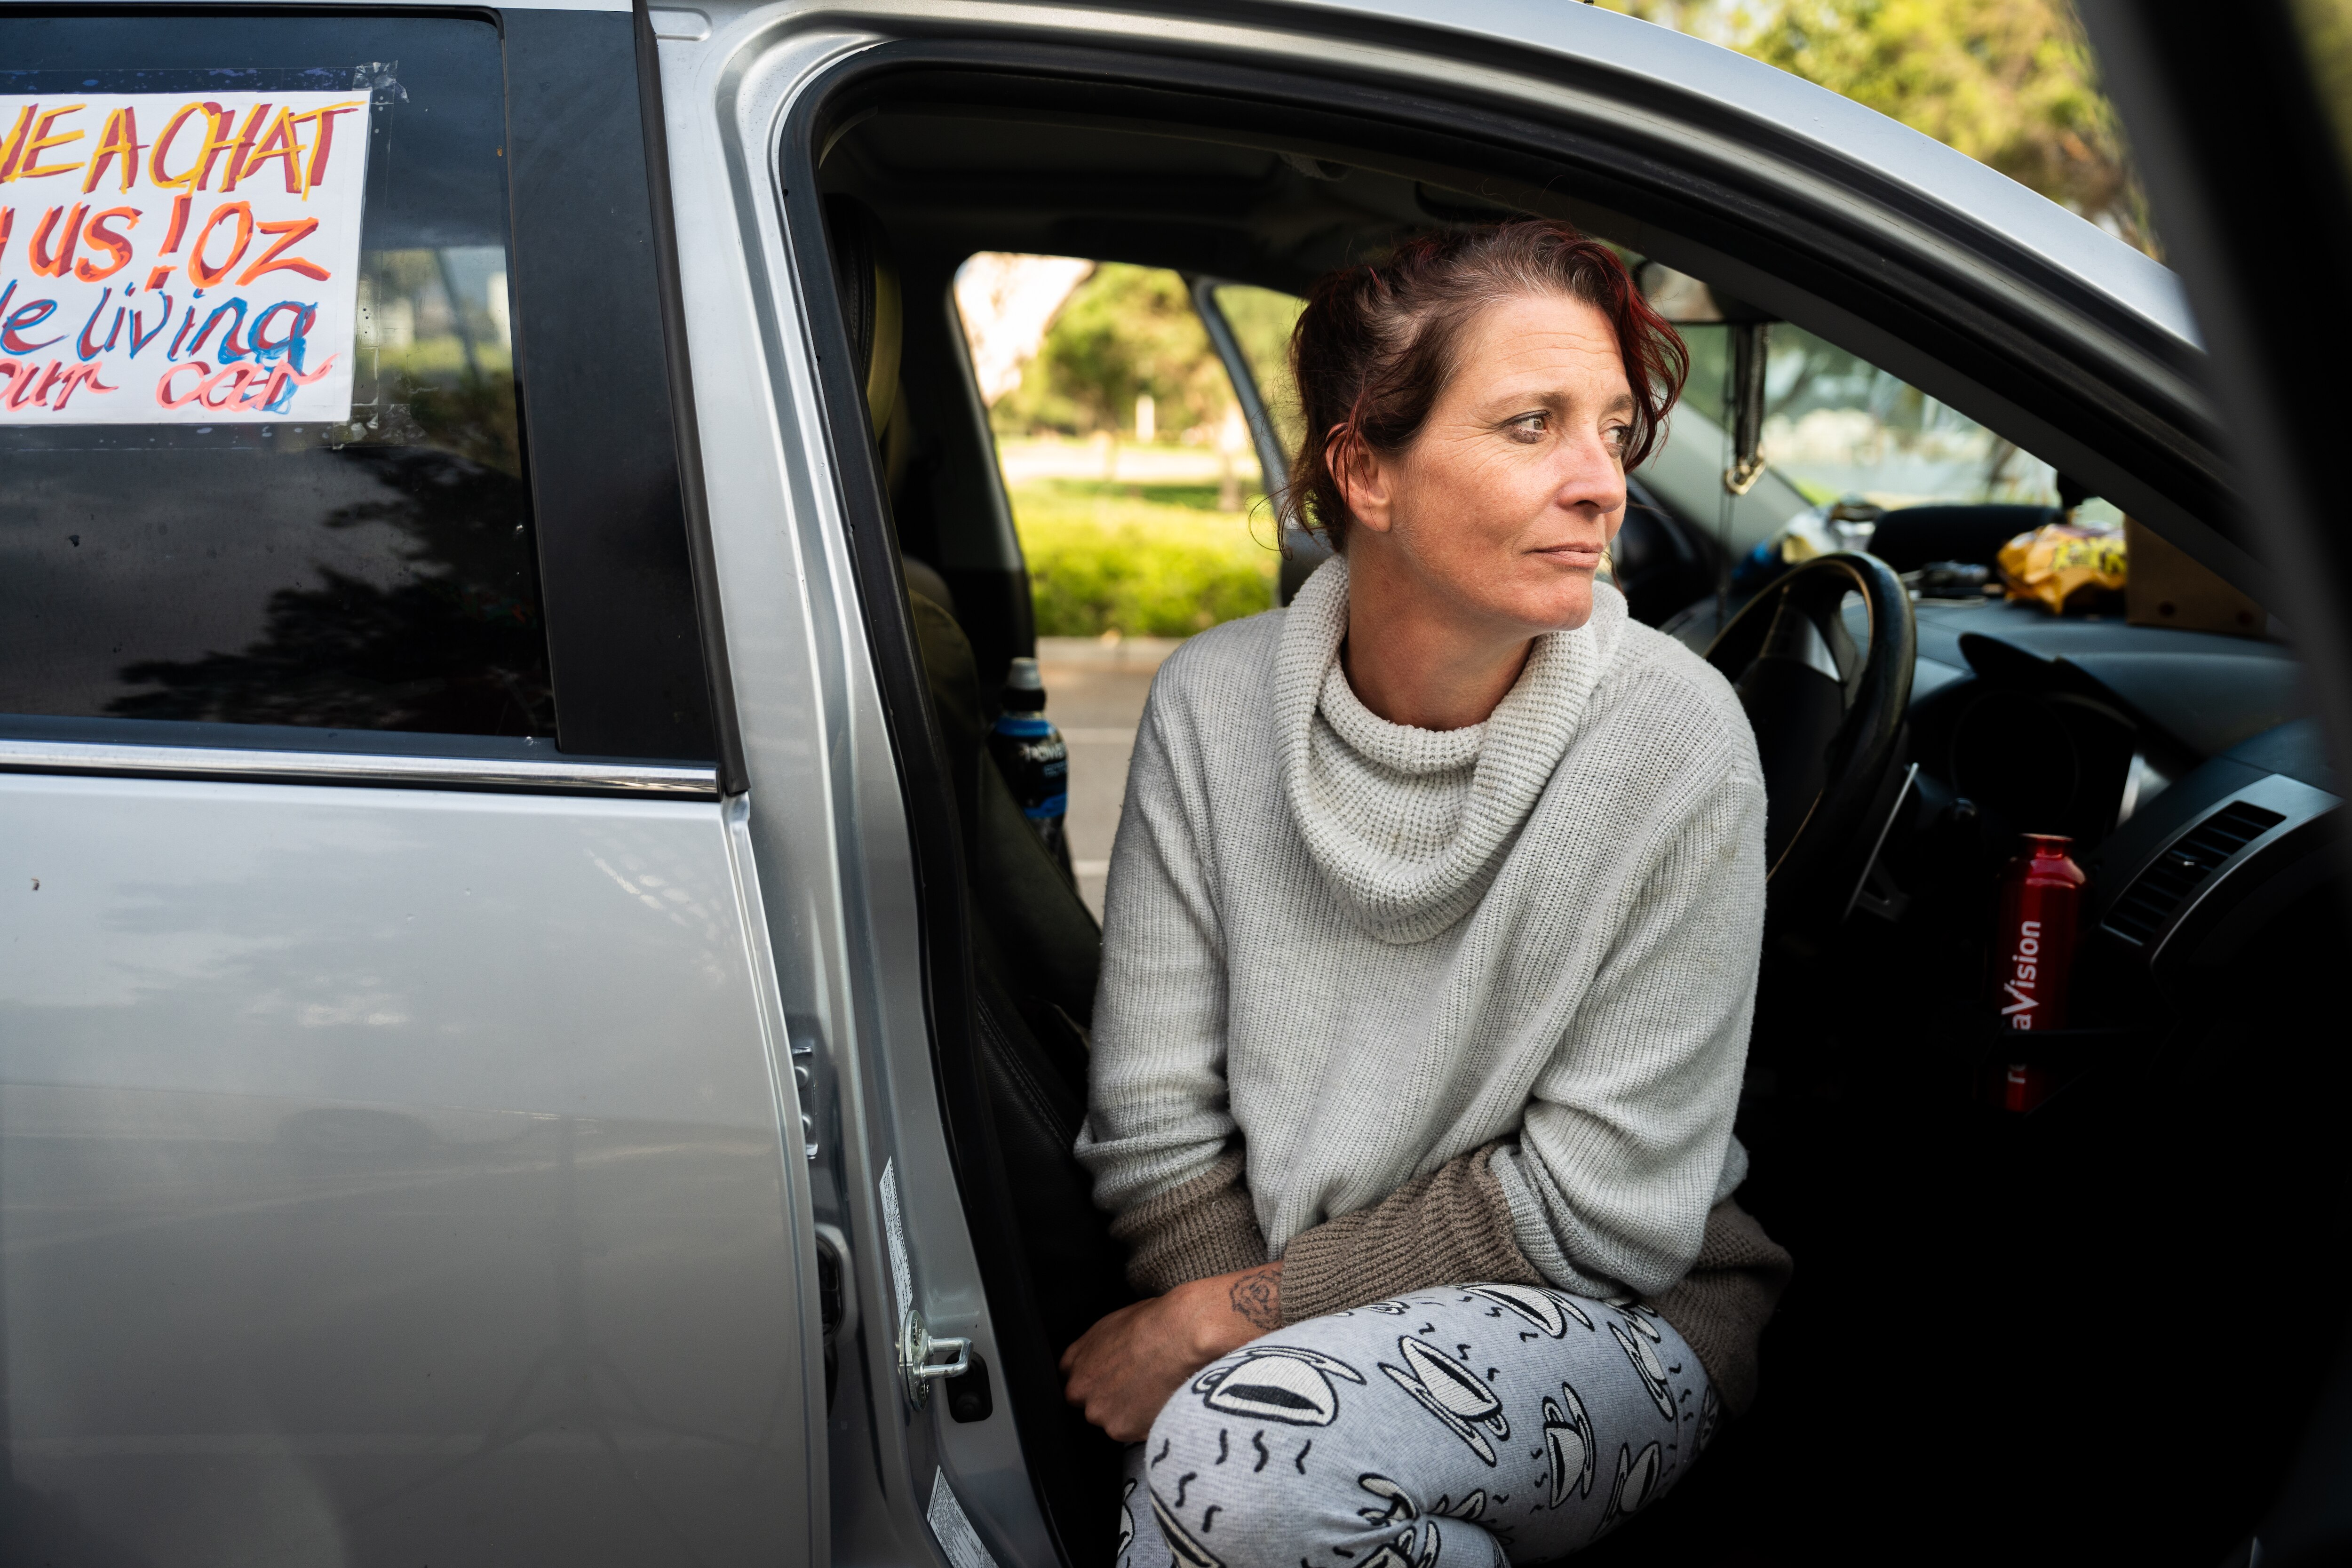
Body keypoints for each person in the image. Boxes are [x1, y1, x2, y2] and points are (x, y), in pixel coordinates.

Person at [1062, 219, 1792, 1568]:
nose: (1603, 486)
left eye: (1615, 428)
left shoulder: (1677, 738)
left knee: (1241, 1460)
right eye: (1532, 426)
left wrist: (1224, 1326)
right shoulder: (1212, 706)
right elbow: (1157, 1132)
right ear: (1365, 472)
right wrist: (1249, 1330)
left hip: (1628, 1317)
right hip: (1280, 1313)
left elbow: (1606, 1208)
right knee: (1247, 1462)